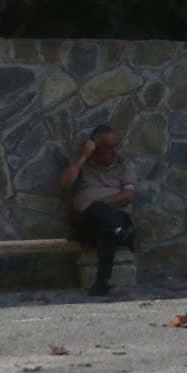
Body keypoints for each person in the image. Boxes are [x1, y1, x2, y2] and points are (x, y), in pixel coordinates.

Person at [62, 126, 140, 294]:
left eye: (115, 146)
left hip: (118, 216)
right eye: (108, 147)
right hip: (86, 222)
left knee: (105, 223)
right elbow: (64, 182)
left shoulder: (124, 164)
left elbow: (128, 195)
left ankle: (102, 281)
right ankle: (121, 235)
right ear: (95, 147)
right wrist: (83, 156)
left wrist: (99, 205)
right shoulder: (82, 165)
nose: (113, 151)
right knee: (102, 221)